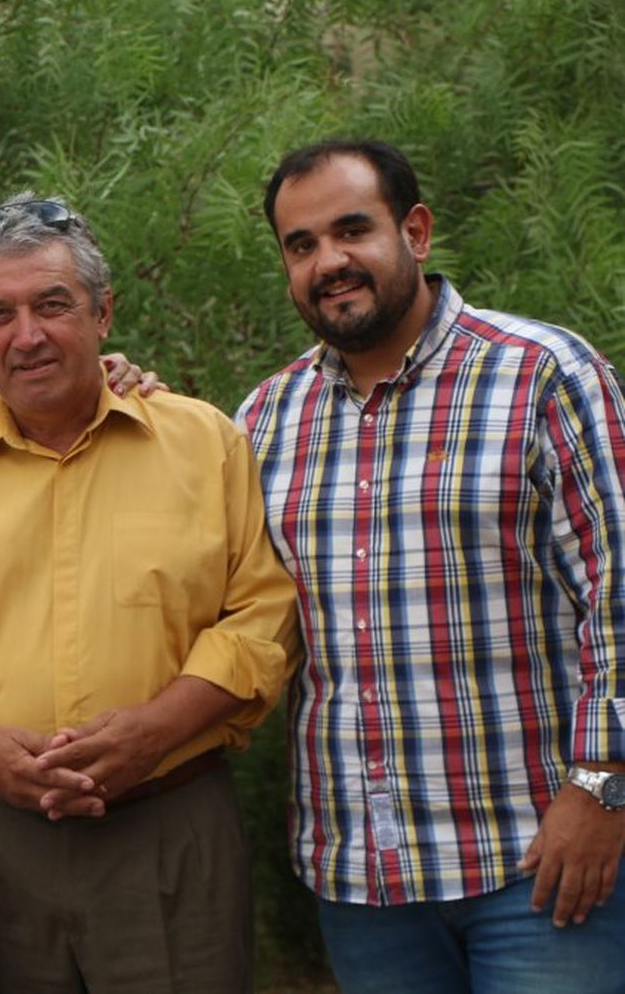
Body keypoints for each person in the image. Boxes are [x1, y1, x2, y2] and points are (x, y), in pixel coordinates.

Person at [0, 194, 302, 992]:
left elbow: (261, 615)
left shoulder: (206, 444)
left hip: (171, 824)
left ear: (103, 312)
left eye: (51, 305)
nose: (26, 335)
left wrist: (153, 733)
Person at [237, 139, 625, 992]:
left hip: (539, 859)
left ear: (415, 230)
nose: (328, 262)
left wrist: (602, 788)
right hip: (362, 882)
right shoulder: (267, 417)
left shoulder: (542, 376)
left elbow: (618, 596)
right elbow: (234, 605)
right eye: (301, 246)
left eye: (350, 230)